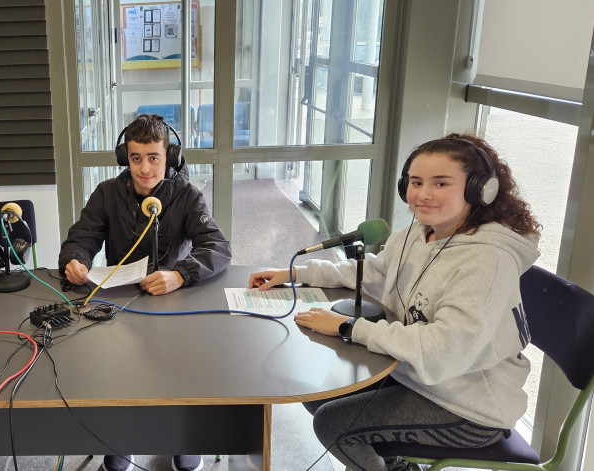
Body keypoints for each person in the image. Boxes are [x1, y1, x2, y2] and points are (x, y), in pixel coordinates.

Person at [248, 134, 541, 471]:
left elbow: (442, 350)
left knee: (334, 424)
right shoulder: (422, 233)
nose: (424, 194)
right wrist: (297, 274)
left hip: (469, 406)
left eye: (441, 183)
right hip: (419, 377)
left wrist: (349, 327)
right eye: (416, 182)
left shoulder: (487, 262)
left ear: (480, 189)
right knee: (317, 391)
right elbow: (374, 271)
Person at [59, 114, 231, 471]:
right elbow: (81, 238)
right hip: (120, 304)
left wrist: (180, 275)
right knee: (113, 369)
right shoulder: (107, 192)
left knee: (182, 365)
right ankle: (120, 440)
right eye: (136, 158)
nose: (145, 168)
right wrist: (75, 261)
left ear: (168, 156)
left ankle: (184, 438)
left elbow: (216, 246)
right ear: (126, 158)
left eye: (154, 157)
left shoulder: (186, 195)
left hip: (174, 304)